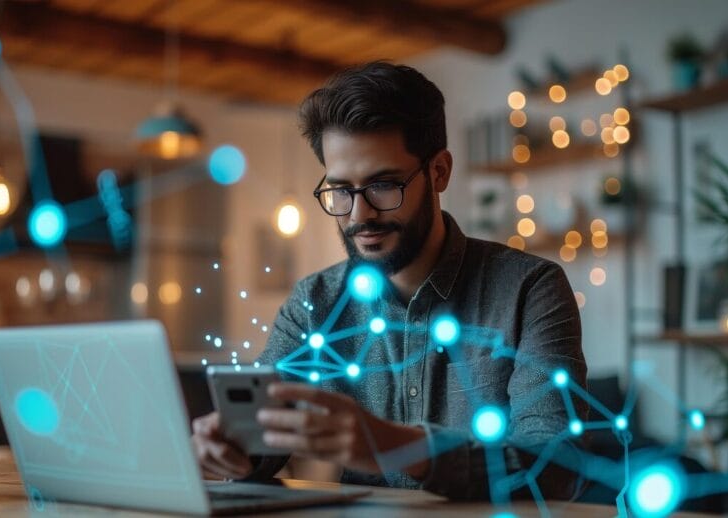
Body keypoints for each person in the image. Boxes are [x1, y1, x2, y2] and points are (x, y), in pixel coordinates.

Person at [192, 61, 588, 501]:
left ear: (439, 172)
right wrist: (231, 449)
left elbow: (558, 464)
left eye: (383, 185)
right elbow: (262, 438)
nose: (359, 215)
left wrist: (394, 446)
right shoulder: (314, 302)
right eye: (340, 190)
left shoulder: (531, 289)